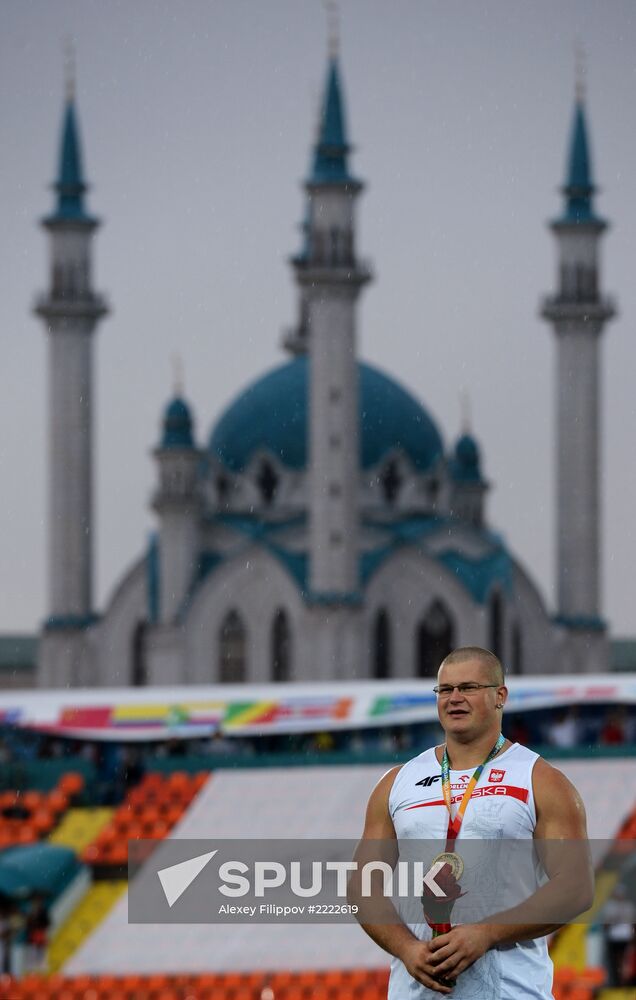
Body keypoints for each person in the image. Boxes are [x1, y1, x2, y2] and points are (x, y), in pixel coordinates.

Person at [350, 646, 593, 999]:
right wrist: (407, 949)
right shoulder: (397, 782)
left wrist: (487, 933)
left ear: (500, 696)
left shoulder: (540, 780)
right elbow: (362, 886)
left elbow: (575, 888)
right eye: (445, 690)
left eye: (469, 687)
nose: (455, 698)